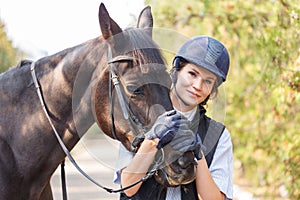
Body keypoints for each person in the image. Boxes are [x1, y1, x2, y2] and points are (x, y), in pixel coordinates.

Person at [114, 36, 233, 200]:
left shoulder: (218, 135)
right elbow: (128, 187)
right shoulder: (140, 115)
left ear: (213, 89)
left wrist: (199, 155)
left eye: (208, 81)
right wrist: (151, 140)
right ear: (176, 70)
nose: (197, 86)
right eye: (192, 74)